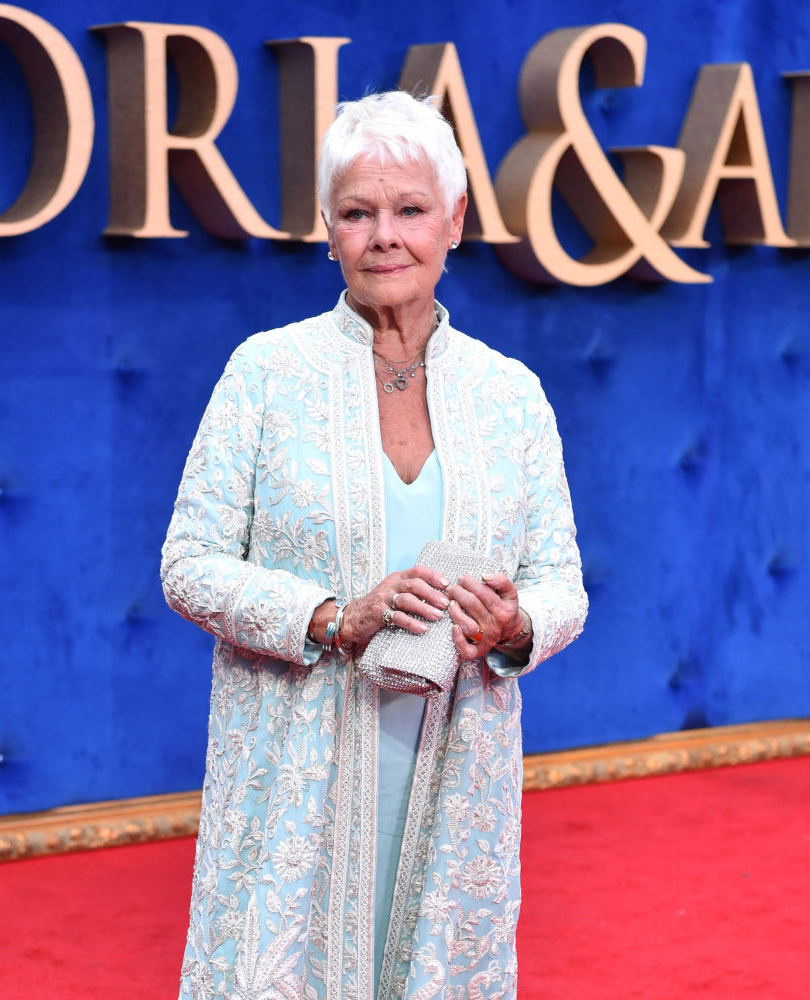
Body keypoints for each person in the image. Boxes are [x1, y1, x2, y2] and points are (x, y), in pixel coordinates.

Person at [161, 90, 587, 1000]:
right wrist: (331, 615)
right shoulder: (266, 374)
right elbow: (187, 565)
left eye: (409, 209)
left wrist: (516, 627)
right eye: (358, 212)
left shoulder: (512, 396)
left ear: (455, 220)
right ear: (330, 229)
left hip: (454, 771)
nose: (384, 234)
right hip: (295, 773)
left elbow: (564, 584)